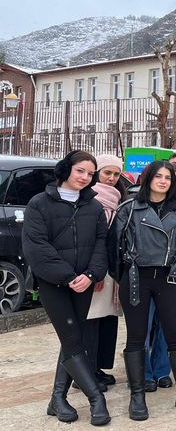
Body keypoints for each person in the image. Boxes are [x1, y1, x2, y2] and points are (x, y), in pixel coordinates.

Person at [110, 160, 176, 421]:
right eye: (158, 176)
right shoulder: (128, 208)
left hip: (167, 278)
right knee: (136, 337)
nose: (163, 181)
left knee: (175, 335)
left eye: (168, 177)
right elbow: (113, 247)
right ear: (148, 178)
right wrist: (123, 274)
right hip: (136, 277)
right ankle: (137, 395)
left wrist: (175, 267)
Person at [23, 150, 111, 426]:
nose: (85, 177)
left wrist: (91, 274)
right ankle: (96, 398)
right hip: (54, 284)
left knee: (72, 339)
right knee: (73, 339)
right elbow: (36, 247)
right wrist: (68, 275)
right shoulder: (39, 203)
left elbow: (101, 245)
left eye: (90, 173)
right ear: (67, 169)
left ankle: (57, 398)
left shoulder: (94, 207)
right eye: (80, 171)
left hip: (83, 283)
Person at [85, 154, 126, 391]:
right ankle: (86, 373)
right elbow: (92, 240)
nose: (111, 178)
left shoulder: (118, 199)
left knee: (106, 320)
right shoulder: (91, 200)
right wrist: (95, 272)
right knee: (91, 321)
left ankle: (97, 368)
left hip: (112, 270)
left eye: (115, 174)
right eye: (106, 173)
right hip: (96, 270)